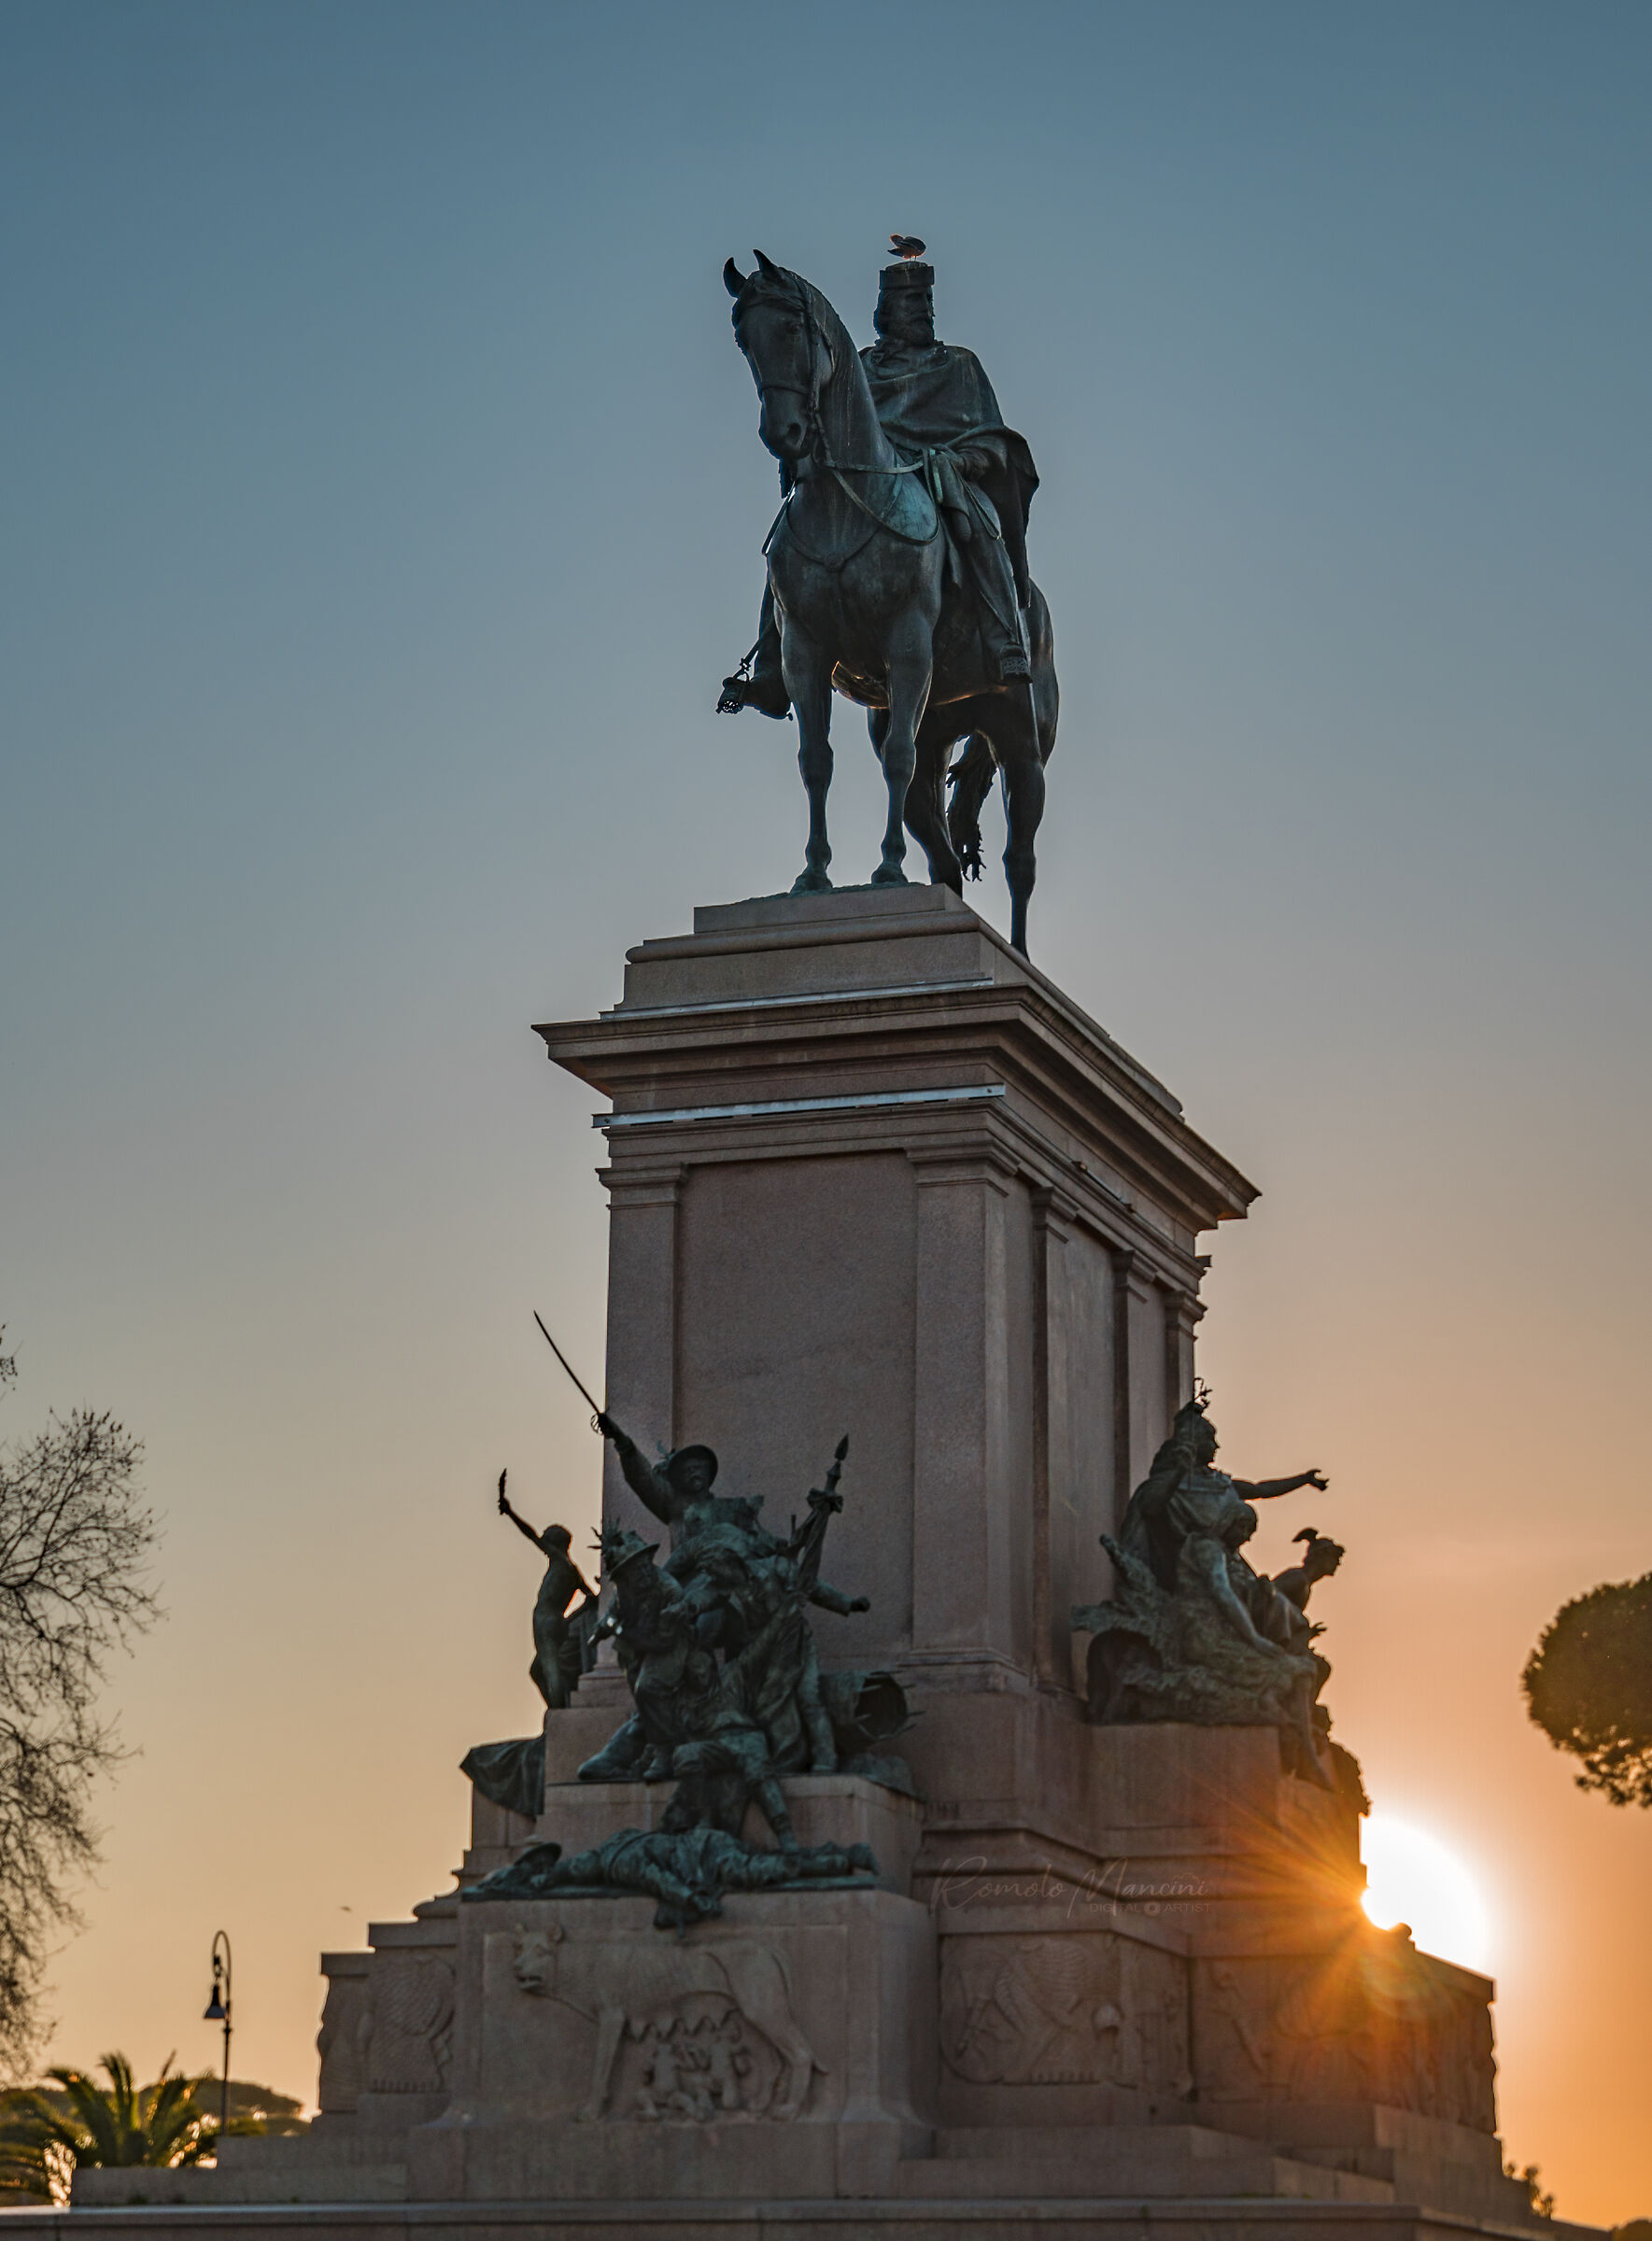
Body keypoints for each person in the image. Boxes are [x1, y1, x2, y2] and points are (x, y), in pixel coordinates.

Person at [720, 250, 1040, 720]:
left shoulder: (960, 366)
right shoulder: (863, 367)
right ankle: (771, 666)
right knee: (789, 540)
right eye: (907, 305)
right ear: (884, 312)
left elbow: (992, 437)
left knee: (981, 518)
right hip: (866, 486)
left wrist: (962, 459)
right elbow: (831, 420)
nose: (919, 314)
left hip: (941, 476)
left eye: (924, 305)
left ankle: (1003, 636)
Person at [496, 1471, 598, 1711]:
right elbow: (591, 1597)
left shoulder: (559, 1560)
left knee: (550, 1668)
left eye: (547, 1540)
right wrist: (572, 1618)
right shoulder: (572, 1569)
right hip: (558, 1621)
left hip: (546, 1620)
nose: (544, 1544)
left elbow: (530, 1535)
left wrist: (511, 1513)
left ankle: (559, 1714)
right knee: (537, 1670)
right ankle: (558, 1708)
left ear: (554, 1543)